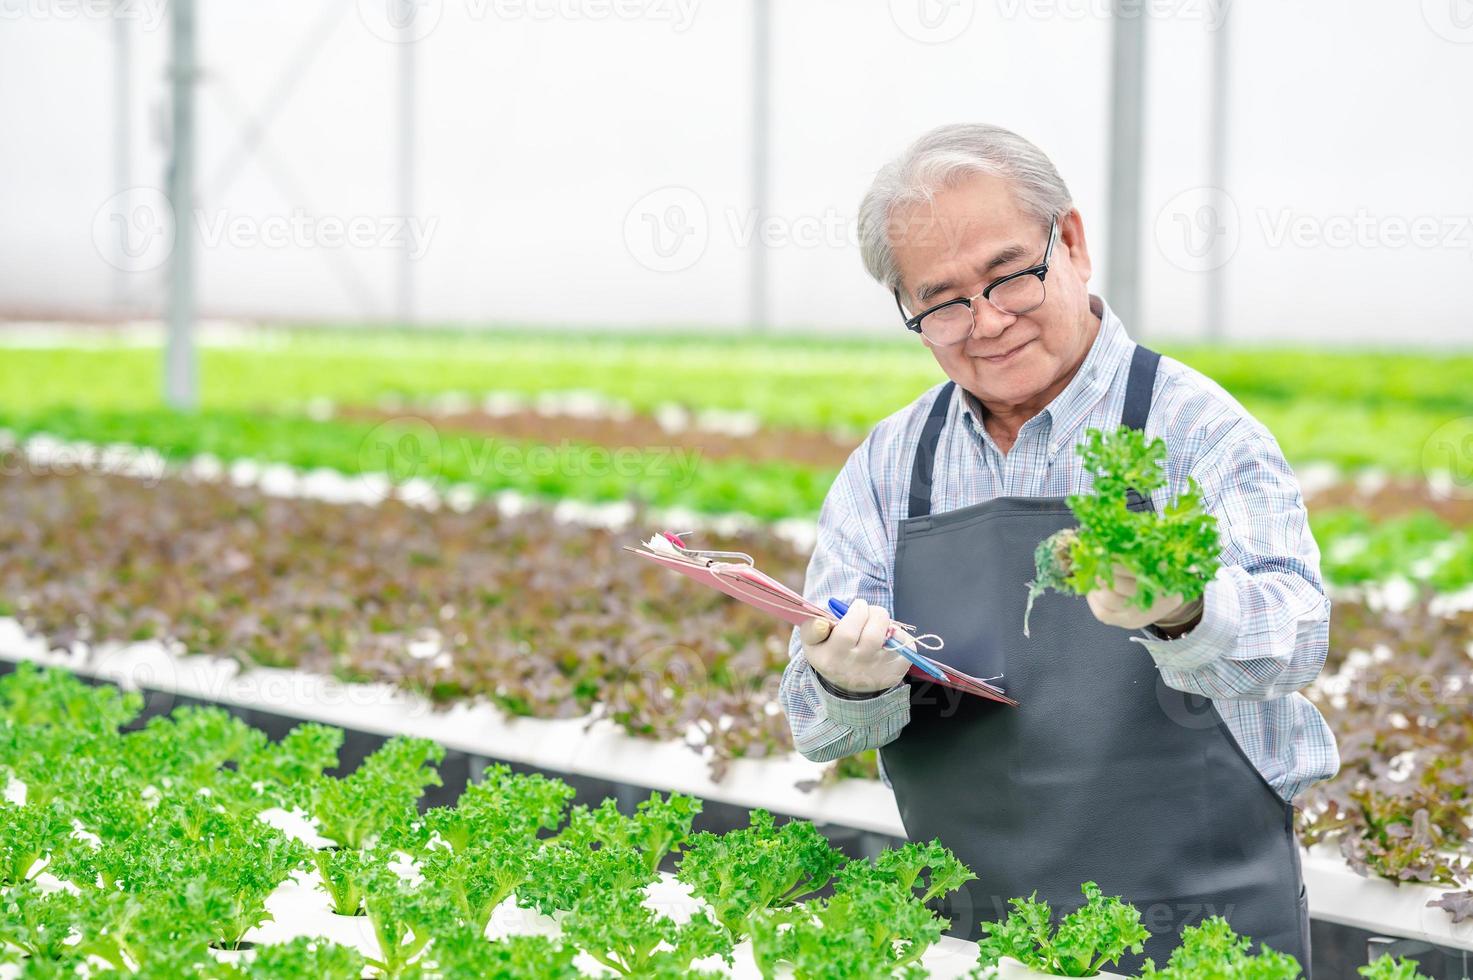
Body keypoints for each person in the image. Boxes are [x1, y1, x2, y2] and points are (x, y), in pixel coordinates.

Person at [778, 123, 1337, 973]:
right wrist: (843, 682)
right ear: (907, 311)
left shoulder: (1193, 426)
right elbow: (814, 725)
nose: (985, 321)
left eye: (1009, 277)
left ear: (1068, 242)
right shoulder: (892, 465)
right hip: (977, 939)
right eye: (941, 301)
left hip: (1200, 933)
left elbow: (1297, 640)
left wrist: (1186, 611)